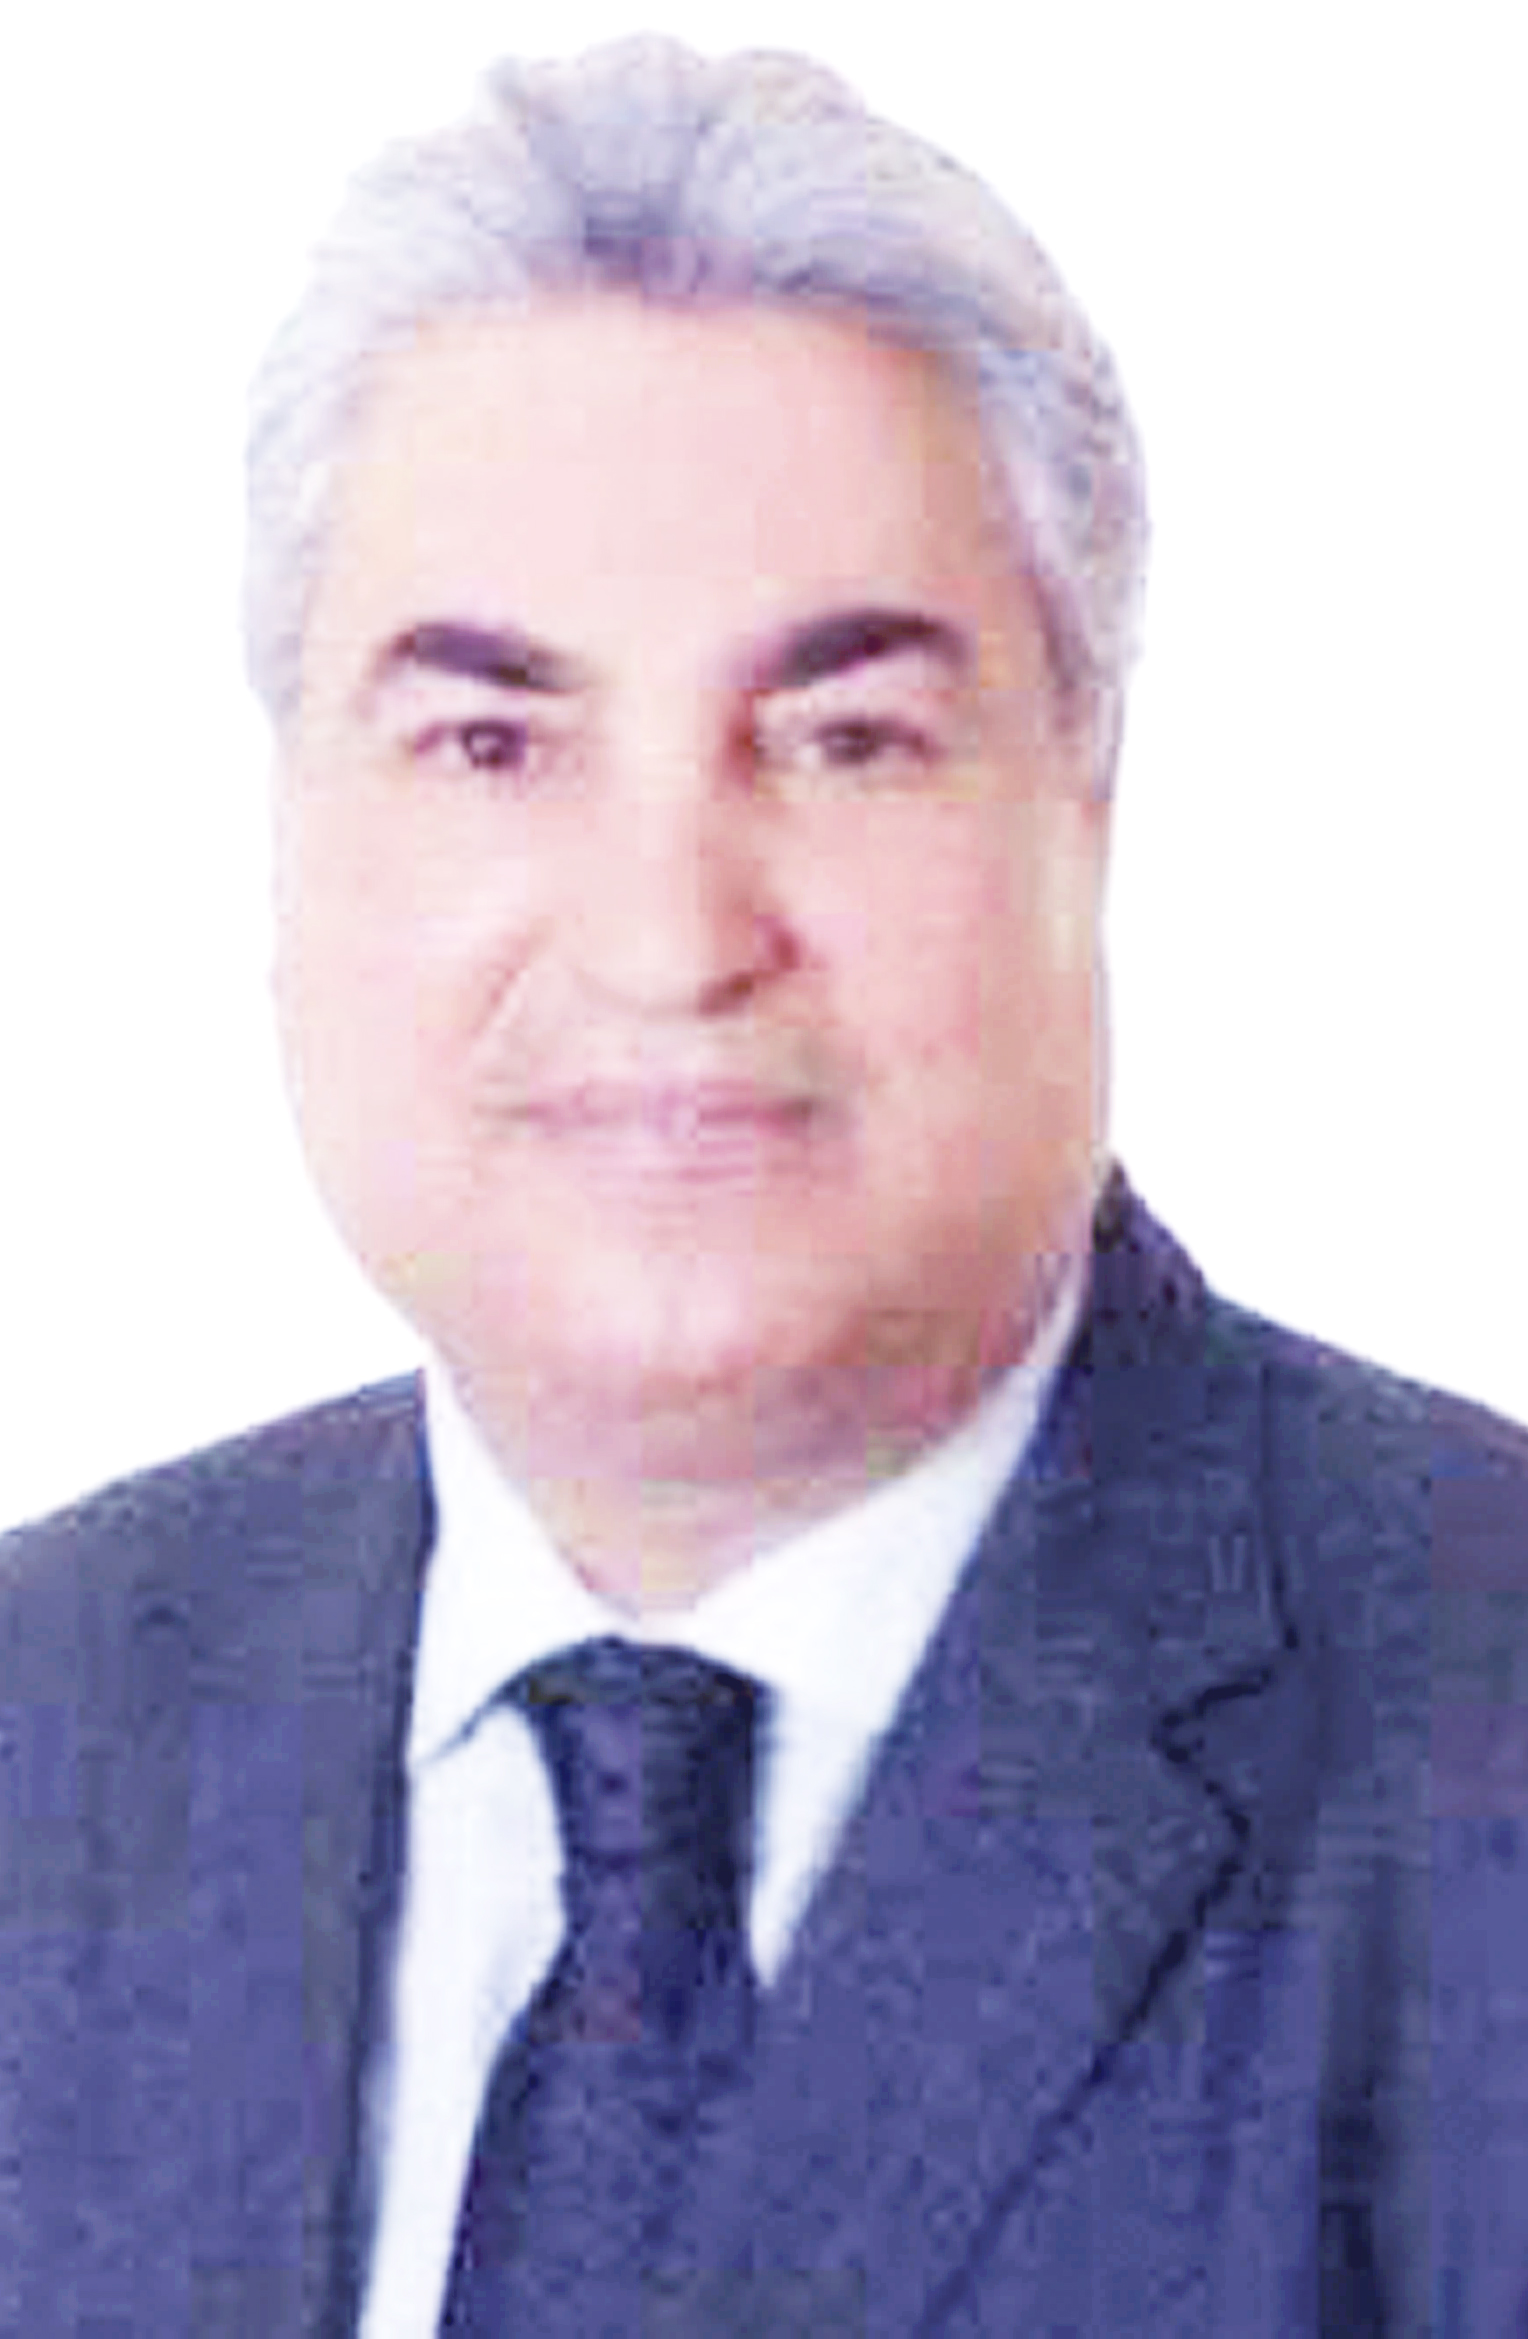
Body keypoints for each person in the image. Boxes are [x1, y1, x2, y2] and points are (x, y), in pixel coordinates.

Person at [1, 35, 1524, 2336]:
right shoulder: (44, 1728)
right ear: (284, 824)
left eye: (839, 740)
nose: (666, 937)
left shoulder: (1477, 1760)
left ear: (1089, 801)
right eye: (491, 742)